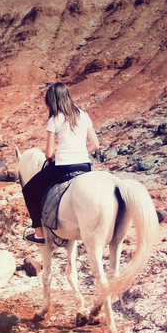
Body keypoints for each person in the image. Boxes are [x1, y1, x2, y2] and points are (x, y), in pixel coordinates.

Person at [22, 82, 100, 244]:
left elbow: (49, 153)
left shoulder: (55, 119)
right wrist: (80, 152)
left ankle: (39, 233)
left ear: (53, 101)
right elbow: (95, 145)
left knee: (29, 190)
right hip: (85, 165)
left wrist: (55, 156)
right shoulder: (83, 115)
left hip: (63, 166)